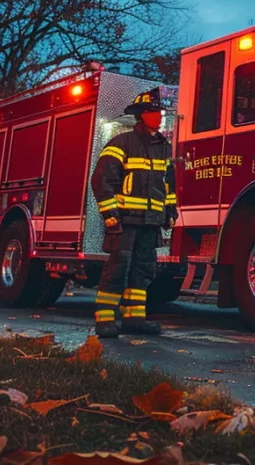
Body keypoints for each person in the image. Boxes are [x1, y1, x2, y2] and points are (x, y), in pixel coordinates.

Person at [89, 87, 177, 338]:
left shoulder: (164, 148)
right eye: (152, 112)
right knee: (118, 267)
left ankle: (134, 318)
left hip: (151, 221)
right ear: (141, 115)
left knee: (144, 269)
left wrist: (170, 212)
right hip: (125, 220)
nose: (158, 117)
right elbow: (102, 180)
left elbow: (168, 184)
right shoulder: (122, 143)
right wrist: (110, 213)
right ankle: (105, 318)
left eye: (159, 112)